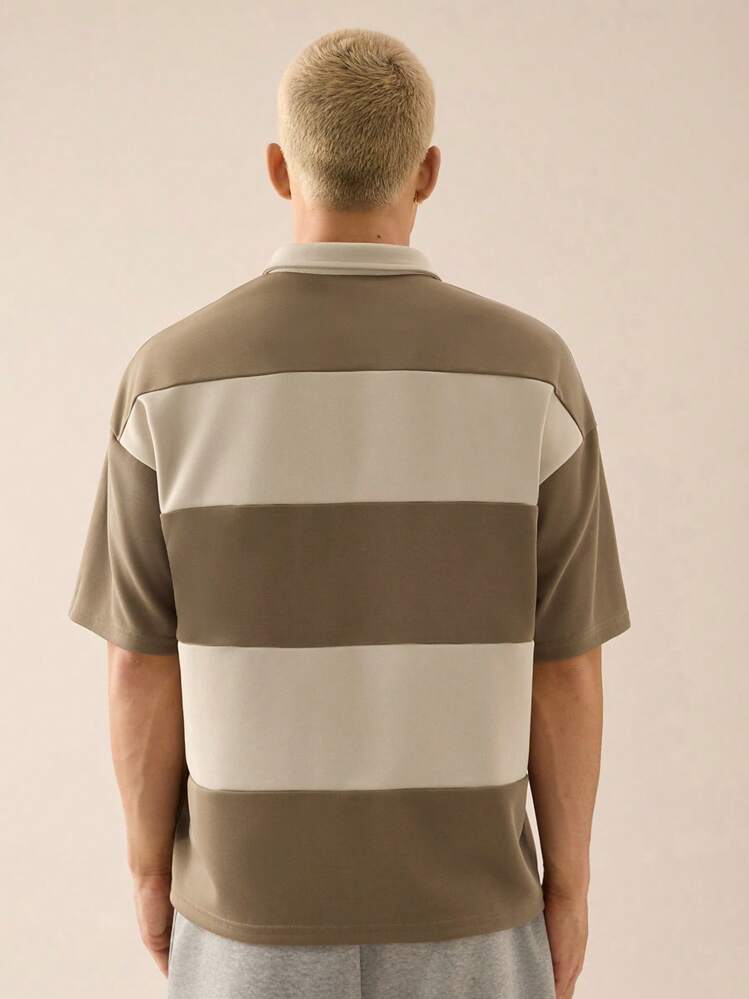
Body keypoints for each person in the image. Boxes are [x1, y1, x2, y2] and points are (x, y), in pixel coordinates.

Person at [68, 26, 631, 999]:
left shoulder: (168, 380)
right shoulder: (532, 376)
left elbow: (137, 664)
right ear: (427, 172)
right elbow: (566, 669)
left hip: (246, 921)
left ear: (278, 167)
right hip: (472, 918)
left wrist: (148, 870)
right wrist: (569, 888)